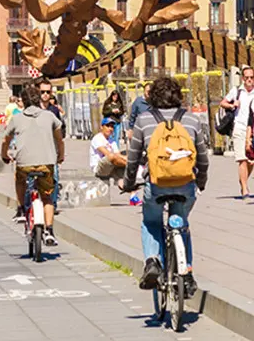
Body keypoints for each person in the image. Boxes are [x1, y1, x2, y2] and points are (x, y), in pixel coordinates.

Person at [121, 77, 208, 297]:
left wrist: (129, 183)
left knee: (151, 221)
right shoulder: (191, 120)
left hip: (156, 184)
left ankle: (152, 261)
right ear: (179, 95)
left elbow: (132, 158)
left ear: (153, 97)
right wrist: (201, 181)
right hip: (185, 184)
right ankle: (186, 272)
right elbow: (203, 158)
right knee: (182, 224)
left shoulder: (143, 120)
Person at [2, 84, 64, 245]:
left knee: (19, 178)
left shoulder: (16, 118)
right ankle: (49, 231)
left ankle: (21, 209)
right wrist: (60, 156)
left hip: (24, 164)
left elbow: (5, 140)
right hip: (47, 163)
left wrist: (4, 154)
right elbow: (59, 138)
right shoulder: (50, 116)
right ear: (37, 100)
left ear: (23, 102)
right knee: (47, 196)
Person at [221, 66, 254, 197]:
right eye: (247, 78)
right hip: (239, 127)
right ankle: (245, 188)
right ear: (242, 79)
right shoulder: (236, 91)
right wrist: (232, 105)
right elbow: (223, 102)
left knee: (251, 159)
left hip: (252, 130)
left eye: (252, 77)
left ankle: (243, 180)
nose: (249, 80)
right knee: (242, 159)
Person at [37, 78, 63, 210]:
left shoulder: (54, 110)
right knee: (32, 179)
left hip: (51, 149)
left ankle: (52, 205)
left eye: (48, 92)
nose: (45, 94)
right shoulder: (34, 109)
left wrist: (60, 150)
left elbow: (59, 131)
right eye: (42, 92)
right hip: (36, 149)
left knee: (54, 178)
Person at [90, 117, 128, 183]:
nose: (110, 129)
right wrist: (126, 159)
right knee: (112, 156)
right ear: (102, 127)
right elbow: (107, 154)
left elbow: (118, 155)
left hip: (111, 167)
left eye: (112, 127)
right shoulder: (97, 138)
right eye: (107, 126)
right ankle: (132, 164)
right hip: (99, 167)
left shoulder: (112, 142)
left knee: (122, 160)